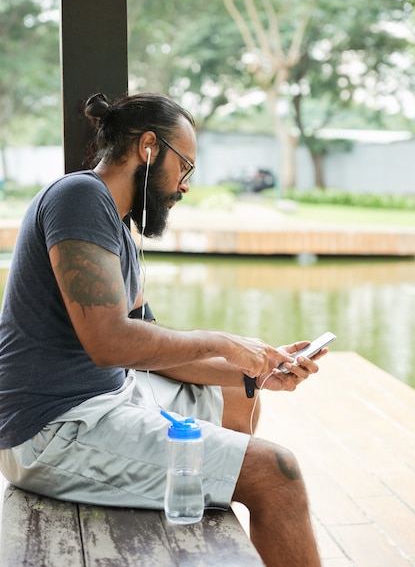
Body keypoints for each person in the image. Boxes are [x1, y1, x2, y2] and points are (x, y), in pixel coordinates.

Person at [0, 92, 324, 567]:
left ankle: (218, 519)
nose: (185, 185)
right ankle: (229, 499)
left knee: (241, 397)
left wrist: (256, 372)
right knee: (278, 472)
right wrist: (224, 341)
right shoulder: (79, 198)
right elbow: (111, 343)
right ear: (149, 147)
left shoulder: (114, 225)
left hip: (104, 401)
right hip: (52, 430)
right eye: (185, 167)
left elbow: (156, 351)